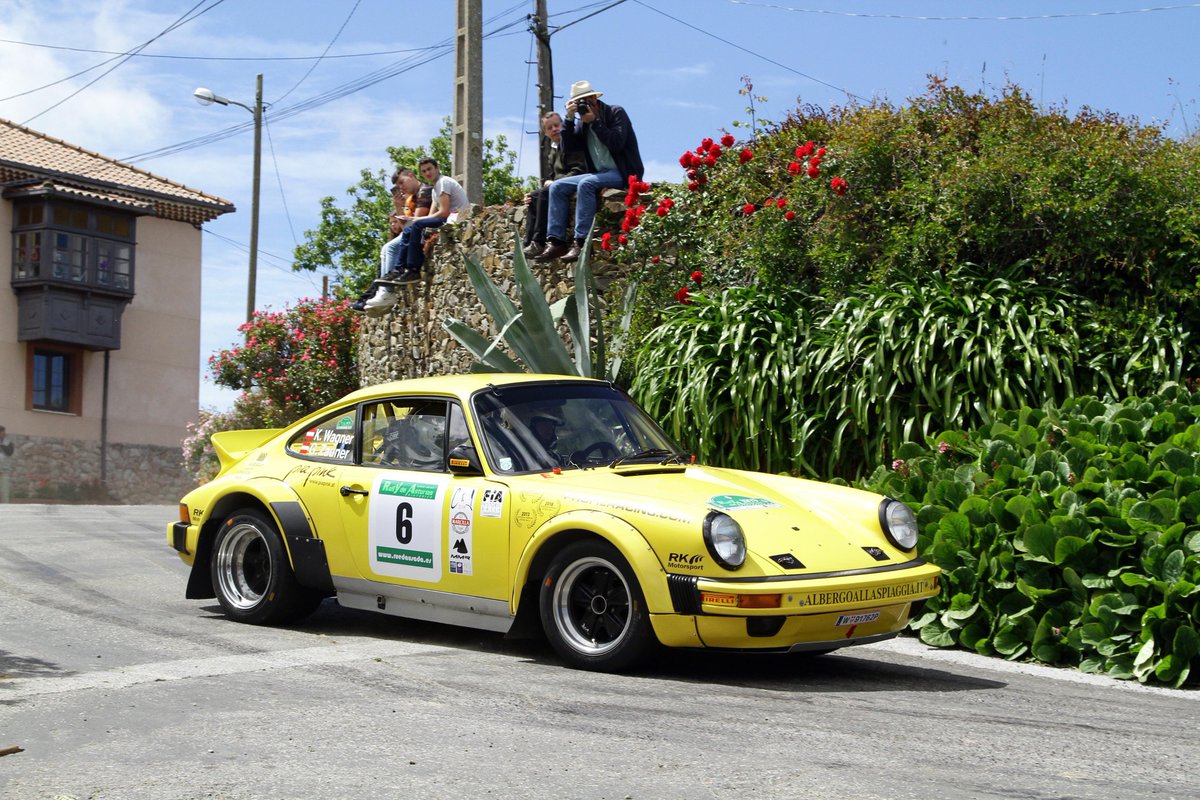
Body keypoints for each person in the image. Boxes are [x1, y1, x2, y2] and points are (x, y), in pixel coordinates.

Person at [535, 80, 643, 263]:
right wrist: (569, 120)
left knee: (586, 184)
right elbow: (568, 147)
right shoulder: (581, 123)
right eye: (579, 103)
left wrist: (596, 123)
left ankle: (581, 241)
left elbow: (617, 143)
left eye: (586, 100)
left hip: (623, 171)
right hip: (600, 173)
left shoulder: (615, 112)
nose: (583, 106)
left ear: (594, 98)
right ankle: (556, 241)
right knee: (557, 187)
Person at [352, 169, 432, 314]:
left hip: (423, 231)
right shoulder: (411, 199)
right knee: (386, 250)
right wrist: (398, 207)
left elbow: (414, 224)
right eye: (398, 185)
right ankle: (381, 291)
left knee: (389, 248)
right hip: (412, 232)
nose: (401, 187)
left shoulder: (424, 192)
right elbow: (404, 227)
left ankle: (386, 292)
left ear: (411, 176)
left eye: (402, 182)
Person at [390, 158, 468, 283]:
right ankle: (398, 269)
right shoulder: (435, 189)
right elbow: (432, 215)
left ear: (437, 168)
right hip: (446, 218)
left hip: (456, 218)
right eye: (424, 171)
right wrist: (412, 219)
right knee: (410, 229)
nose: (427, 173)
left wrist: (416, 219)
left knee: (417, 225)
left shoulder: (443, 182)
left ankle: (414, 269)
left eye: (429, 169)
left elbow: (443, 212)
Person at [522, 111, 587, 258]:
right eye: (550, 128)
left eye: (557, 125)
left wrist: (556, 182)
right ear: (545, 132)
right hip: (559, 185)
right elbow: (552, 175)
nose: (554, 129)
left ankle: (539, 242)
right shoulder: (552, 149)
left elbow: (579, 169)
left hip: (574, 183)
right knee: (533, 196)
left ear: (563, 125)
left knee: (544, 193)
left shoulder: (571, 143)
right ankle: (528, 243)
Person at [0, 425, 14, 503]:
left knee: (4, 491)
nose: (3, 433)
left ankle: (5, 508)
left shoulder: (8, 443)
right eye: (2, 432)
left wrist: (1, 445)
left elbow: (9, 452)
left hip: (4, 470)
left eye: (3, 432)